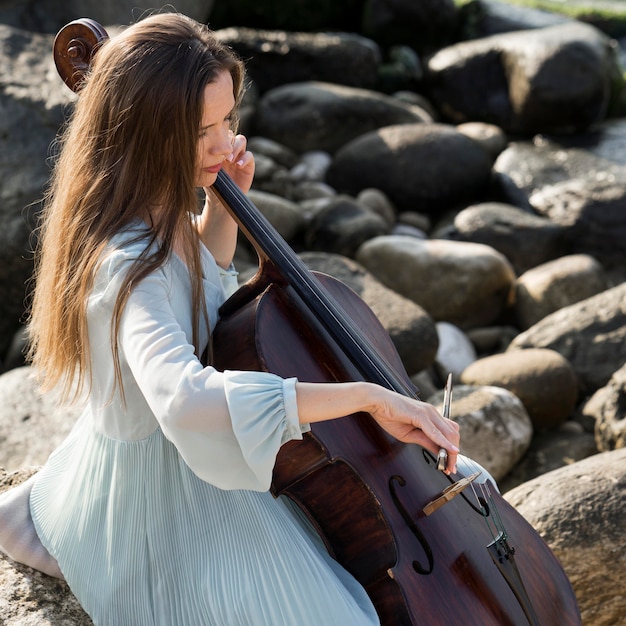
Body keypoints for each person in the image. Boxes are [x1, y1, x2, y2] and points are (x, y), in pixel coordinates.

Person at [0, 12, 460, 626]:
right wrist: (364, 398)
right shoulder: (126, 263)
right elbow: (184, 400)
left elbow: (197, 295)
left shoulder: (160, 212)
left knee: (460, 484)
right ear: (144, 135)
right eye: (200, 131)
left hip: (197, 462)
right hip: (157, 498)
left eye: (226, 120)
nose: (223, 144)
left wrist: (220, 215)